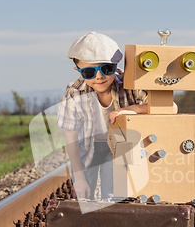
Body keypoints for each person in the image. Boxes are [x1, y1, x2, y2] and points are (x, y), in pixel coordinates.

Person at [56, 32, 148, 200]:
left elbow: (170, 107)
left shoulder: (129, 84)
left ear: (115, 65)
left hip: (117, 148)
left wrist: (132, 109)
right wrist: (80, 179)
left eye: (106, 69)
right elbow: (71, 139)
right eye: (89, 72)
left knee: (114, 195)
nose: (99, 76)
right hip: (86, 147)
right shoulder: (75, 92)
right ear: (78, 70)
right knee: (83, 197)